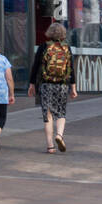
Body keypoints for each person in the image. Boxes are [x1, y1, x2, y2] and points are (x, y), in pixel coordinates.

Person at [28, 22, 77, 153]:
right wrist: (73, 87)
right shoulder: (66, 48)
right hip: (62, 84)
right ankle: (59, 135)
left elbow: (36, 66)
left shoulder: (44, 46)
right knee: (61, 112)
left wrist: (32, 84)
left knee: (47, 114)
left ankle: (50, 146)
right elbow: (71, 68)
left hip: (46, 84)